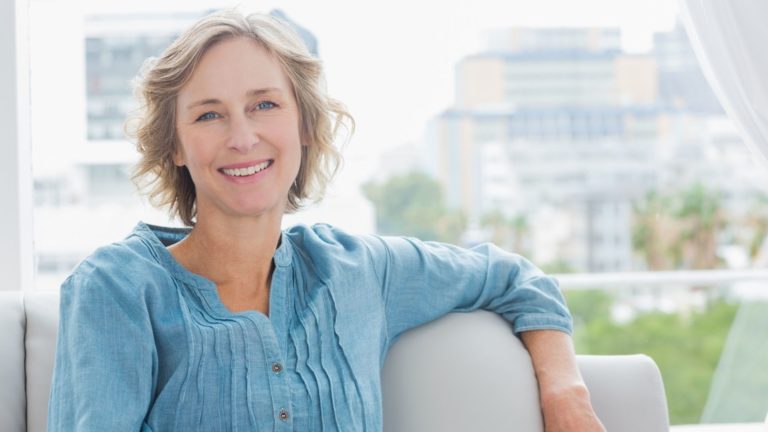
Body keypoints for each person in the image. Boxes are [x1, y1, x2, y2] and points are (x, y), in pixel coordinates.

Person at [47, 9, 605, 432]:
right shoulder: (117, 290)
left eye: (265, 105)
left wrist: (564, 393)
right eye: (209, 114)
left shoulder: (357, 271)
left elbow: (518, 281)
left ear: (306, 126)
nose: (242, 137)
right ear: (175, 146)